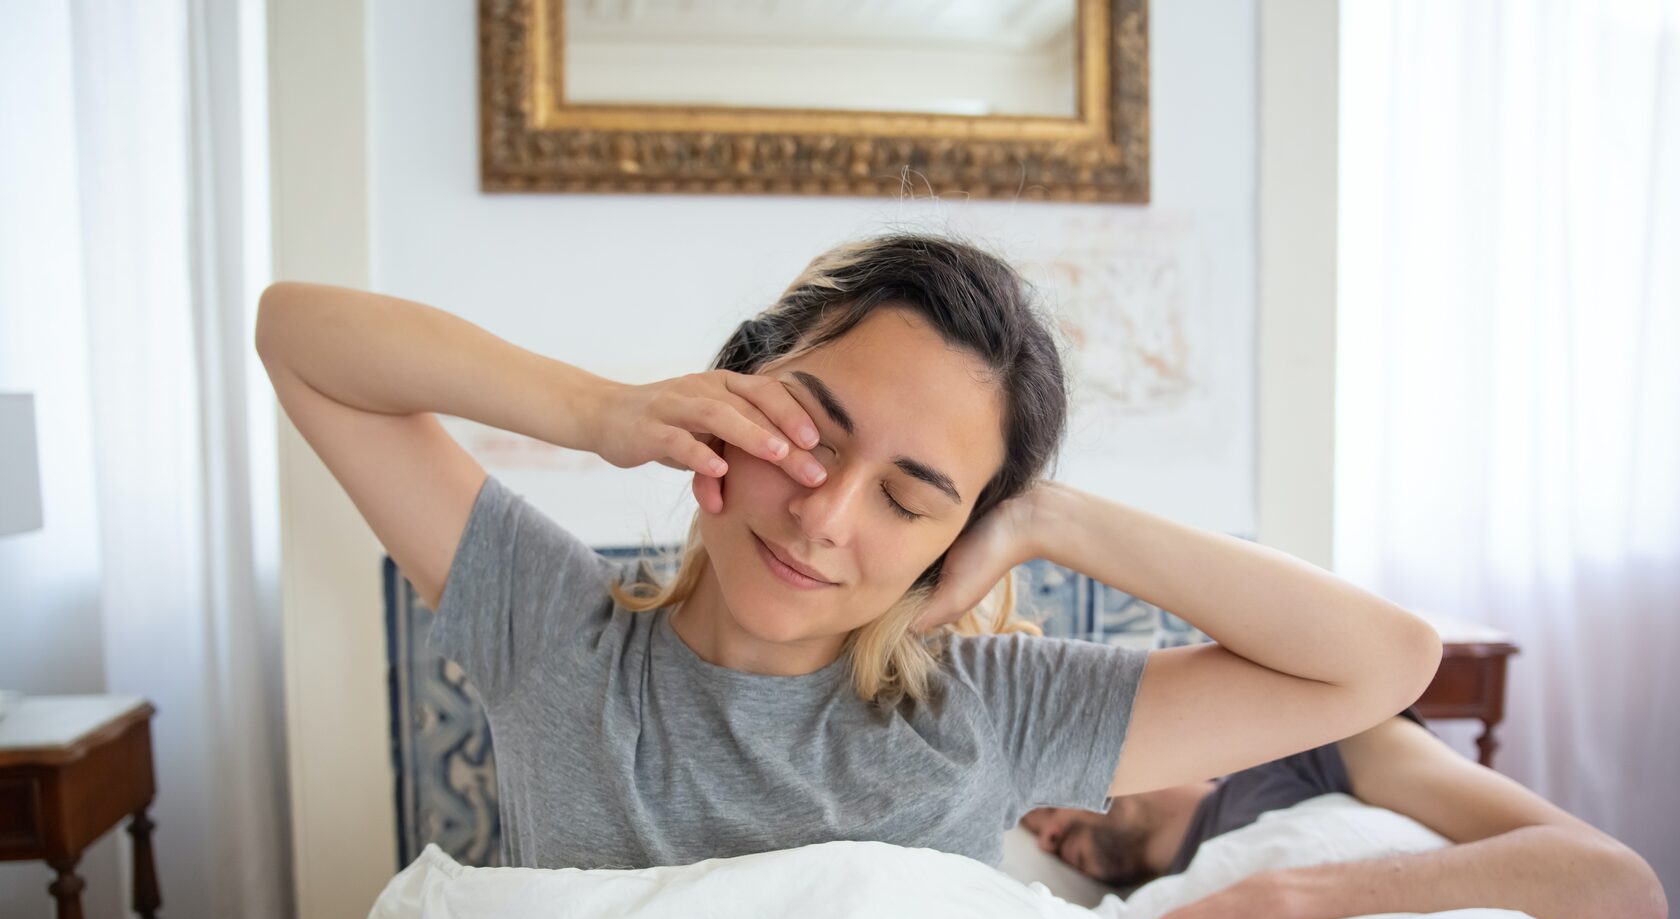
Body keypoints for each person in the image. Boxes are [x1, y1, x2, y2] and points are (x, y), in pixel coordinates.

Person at [253, 230, 1442, 873]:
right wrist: (597, 411)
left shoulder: (993, 710)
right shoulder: (553, 631)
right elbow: (297, 332)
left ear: (957, 535)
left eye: (912, 496)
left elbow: (1382, 662)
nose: (824, 516)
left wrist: (1050, 518)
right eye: (810, 434)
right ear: (732, 387)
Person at [1021, 708, 1669, 919]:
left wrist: (1281, 896)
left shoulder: (1311, 751)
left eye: (1044, 805)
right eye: (1037, 838)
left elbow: (1619, 882)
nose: (1048, 835)